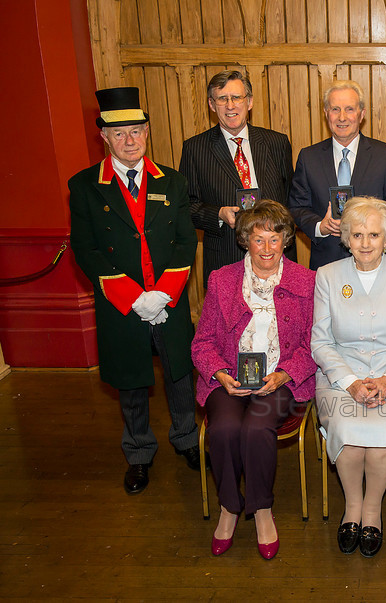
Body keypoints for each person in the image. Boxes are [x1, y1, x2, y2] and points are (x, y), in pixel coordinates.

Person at [68, 87, 200, 495]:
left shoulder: (172, 182)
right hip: (120, 304)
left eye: (137, 131)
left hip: (168, 300)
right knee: (131, 379)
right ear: (104, 137)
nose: (130, 140)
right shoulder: (86, 185)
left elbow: (183, 240)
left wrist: (162, 294)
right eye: (120, 133)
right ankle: (139, 452)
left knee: (179, 372)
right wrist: (133, 297)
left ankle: (187, 440)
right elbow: (86, 248)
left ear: (147, 132)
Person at [192, 199, 316, 560]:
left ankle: (261, 508)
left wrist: (283, 375)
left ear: (286, 241)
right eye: (258, 239)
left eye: (274, 239)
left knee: (256, 427)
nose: (267, 249)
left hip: (282, 380)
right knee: (225, 428)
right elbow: (202, 343)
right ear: (245, 240)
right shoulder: (221, 280)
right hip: (230, 378)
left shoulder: (307, 282)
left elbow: (313, 344)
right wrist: (219, 374)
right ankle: (229, 507)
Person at [311, 197, 386, 558]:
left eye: (374, 235)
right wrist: (349, 382)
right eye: (357, 234)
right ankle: (352, 507)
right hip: (340, 376)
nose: (365, 243)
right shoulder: (328, 276)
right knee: (347, 433)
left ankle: (373, 511)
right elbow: (321, 341)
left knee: (382, 437)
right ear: (345, 236)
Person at [181, 70, 296, 284]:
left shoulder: (276, 143)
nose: (230, 106)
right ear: (211, 104)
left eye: (236, 97)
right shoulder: (195, 149)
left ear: (249, 101)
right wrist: (218, 214)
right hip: (225, 256)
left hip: (276, 256)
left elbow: (292, 198)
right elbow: (186, 207)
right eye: (222, 99)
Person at [288, 80, 386, 270]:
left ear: (362, 114)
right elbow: (297, 207)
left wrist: (373, 226)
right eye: (335, 109)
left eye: (349, 109)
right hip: (327, 263)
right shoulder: (308, 157)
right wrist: (320, 226)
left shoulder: (385, 155)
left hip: (375, 262)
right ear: (326, 113)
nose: (342, 117)